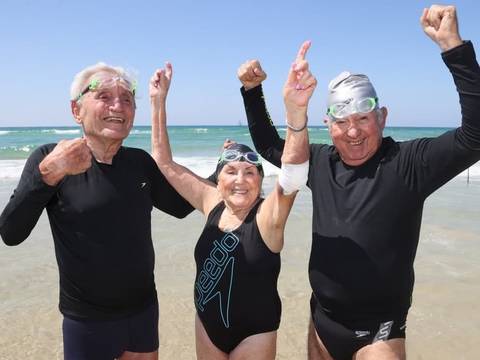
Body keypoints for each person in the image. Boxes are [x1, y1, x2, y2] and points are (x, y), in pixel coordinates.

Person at [237, 5, 480, 360]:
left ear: (382, 117)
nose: (352, 132)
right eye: (342, 122)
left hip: (380, 334)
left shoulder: (409, 163)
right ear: (328, 124)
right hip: (321, 324)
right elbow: (272, 146)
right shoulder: (319, 163)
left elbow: (474, 136)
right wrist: (252, 91)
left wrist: (453, 47)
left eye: (363, 118)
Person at [0, 63, 197, 360]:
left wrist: (227, 173)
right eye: (103, 96)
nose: (118, 105)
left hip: (143, 310)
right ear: (76, 110)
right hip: (86, 319)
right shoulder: (49, 158)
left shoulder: (139, 163)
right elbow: (11, 233)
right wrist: (49, 173)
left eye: (127, 99)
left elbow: (183, 205)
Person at [148, 42, 314, 359]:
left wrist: (296, 111)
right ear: (218, 178)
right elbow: (165, 163)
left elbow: (293, 174)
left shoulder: (268, 218)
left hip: (254, 334)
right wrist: (158, 101)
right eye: (232, 171)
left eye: (250, 172)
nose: (240, 180)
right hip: (207, 325)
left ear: (261, 179)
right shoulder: (212, 202)